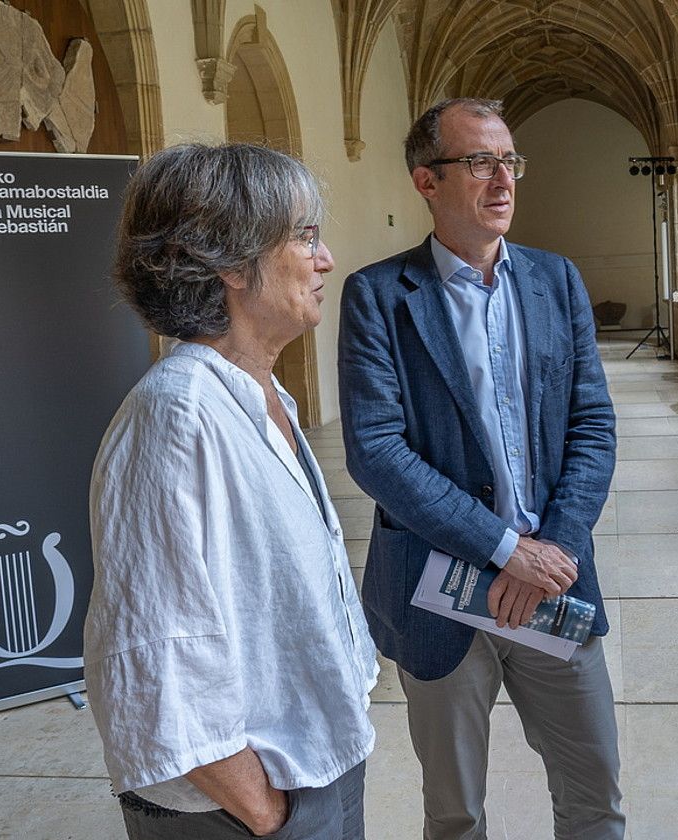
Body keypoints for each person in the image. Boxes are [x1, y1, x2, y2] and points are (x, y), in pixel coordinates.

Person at [337, 98, 623, 840]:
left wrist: (551, 548)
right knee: (455, 813)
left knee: (595, 800)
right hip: (439, 594)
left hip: (555, 582)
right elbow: (377, 451)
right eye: (479, 161)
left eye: (510, 161)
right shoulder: (378, 297)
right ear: (426, 181)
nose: (503, 179)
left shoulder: (555, 281)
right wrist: (505, 552)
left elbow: (592, 424)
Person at [83, 143, 378, 840]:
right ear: (226, 261)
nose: (325, 257)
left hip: (311, 766)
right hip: (240, 810)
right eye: (305, 236)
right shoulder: (176, 417)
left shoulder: (260, 394)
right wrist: (269, 813)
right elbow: (155, 654)